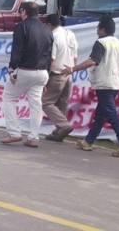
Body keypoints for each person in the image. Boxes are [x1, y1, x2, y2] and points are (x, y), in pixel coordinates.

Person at [61, 15, 119, 157]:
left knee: (111, 114)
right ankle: (88, 141)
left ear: (103, 30)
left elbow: (92, 61)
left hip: (104, 84)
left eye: (98, 28)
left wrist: (72, 69)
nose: (96, 30)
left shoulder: (101, 43)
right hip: (115, 83)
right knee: (101, 115)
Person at [0, 1, 53, 148]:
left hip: (24, 71)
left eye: (20, 11)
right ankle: (34, 137)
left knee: (9, 98)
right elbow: (49, 55)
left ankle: (14, 132)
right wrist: (46, 77)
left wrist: (12, 69)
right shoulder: (47, 29)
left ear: (24, 12)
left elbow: (17, 50)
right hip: (42, 72)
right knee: (36, 105)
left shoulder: (21, 27)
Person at [42, 13, 78, 142]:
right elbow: (75, 57)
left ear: (49, 25)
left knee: (46, 102)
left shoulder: (54, 36)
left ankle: (63, 126)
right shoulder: (70, 34)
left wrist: (45, 77)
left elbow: (52, 60)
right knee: (62, 103)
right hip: (68, 72)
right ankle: (59, 131)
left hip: (56, 73)